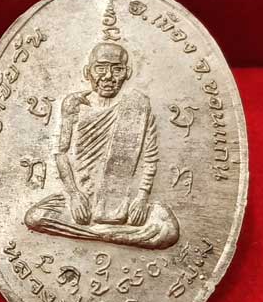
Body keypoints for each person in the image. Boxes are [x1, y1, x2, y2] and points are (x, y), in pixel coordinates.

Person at [24, 43, 179, 249]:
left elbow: (150, 158)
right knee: (35, 217)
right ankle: (115, 236)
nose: (108, 76)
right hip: (82, 202)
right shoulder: (74, 104)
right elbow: (61, 153)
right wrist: (74, 195)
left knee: (169, 231)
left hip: (124, 203)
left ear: (127, 73)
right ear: (87, 72)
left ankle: (96, 233)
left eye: (117, 69)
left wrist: (141, 198)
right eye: (100, 68)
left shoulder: (138, 105)